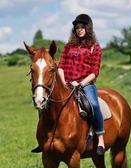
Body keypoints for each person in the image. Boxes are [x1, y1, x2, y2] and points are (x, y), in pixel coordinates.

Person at [31, 13, 105, 155]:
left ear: (88, 29)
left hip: (85, 84)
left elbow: (94, 72)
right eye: (77, 28)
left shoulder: (95, 48)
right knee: (45, 105)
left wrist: (81, 83)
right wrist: (64, 82)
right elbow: (61, 66)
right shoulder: (68, 47)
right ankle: (43, 139)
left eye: (82, 27)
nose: (79, 30)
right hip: (68, 83)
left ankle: (100, 137)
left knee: (94, 105)